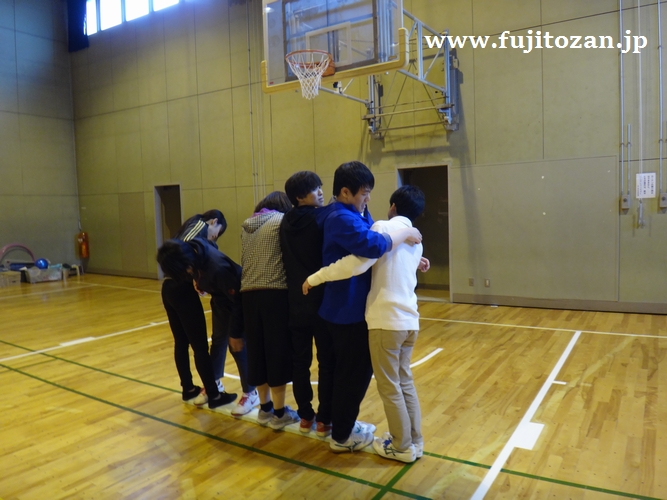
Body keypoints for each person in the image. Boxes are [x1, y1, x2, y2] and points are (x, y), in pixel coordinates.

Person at [304, 185, 428, 463]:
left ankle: (401, 447)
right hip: (410, 320)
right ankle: (415, 442)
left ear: (393, 206)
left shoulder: (383, 227)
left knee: (390, 387)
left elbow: (357, 264)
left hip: (387, 321)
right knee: (404, 383)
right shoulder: (415, 238)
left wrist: (316, 277)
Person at [157, 236, 258, 412]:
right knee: (217, 341)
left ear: (188, 265)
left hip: (238, 302)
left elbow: (238, 301)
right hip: (220, 300)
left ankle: (251, 392)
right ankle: (214, 384)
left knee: (237, 346)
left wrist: (235, 333)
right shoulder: (193, 253)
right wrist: (200, 282)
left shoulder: (218, 268)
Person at [279, 171, 333, 435]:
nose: (320, 191)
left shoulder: (285, 221)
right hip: (321, 301)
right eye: (314, 189)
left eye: (320, 186)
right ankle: (324, 420)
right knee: (326, 362)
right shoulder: (321, 217)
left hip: (295, 302)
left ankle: (305, 416)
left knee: (300, 362)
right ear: (300, 197)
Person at [240, 191, 300, 430]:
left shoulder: (247, 225)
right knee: (277, 353)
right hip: (274, 293)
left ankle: (264, 409)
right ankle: (280, 413)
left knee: (257, 353)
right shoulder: (281, 221)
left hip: (248, 294)